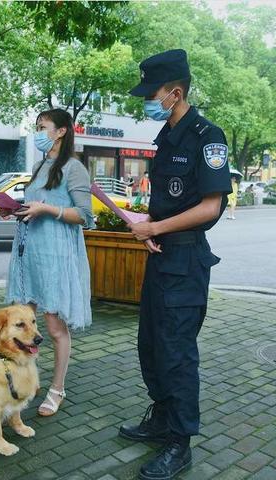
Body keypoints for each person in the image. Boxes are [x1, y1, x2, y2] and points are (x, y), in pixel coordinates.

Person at [119, 50, 231, 480]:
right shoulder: (165, 136)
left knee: (177, 355)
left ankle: (179, 443)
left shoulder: (207, 135)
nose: (147, 100)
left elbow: (210, 206)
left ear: (176, 92)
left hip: (186, 260)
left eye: (153, 93)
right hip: (162, 254)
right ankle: (162, 417)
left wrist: (158, 226)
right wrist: (151, 225)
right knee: (150, 344)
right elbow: (166, 198)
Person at [2, 108, 94, 417]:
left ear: (61, 131)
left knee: (54, 328)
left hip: (56, 257)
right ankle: (29, 380)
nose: (39, 132)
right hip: (29, 254)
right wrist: (14, 210)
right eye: (37, 126)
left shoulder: (75, 168)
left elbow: (85, 216)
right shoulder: (39, 164)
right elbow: (34, 204)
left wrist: (48, 210)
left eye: (43, 126)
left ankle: (57, 389)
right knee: (24, 324)